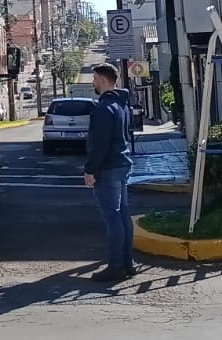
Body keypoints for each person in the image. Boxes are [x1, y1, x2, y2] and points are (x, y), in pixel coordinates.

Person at [84, 63, 136, 282]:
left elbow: (99, 145)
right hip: (122, 164)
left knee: (113, 216)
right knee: (122, 214)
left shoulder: (104, 109)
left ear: (103, 80)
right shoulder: (121, 105)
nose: (93, 83)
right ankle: (127, 262)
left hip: (108, 168)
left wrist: (90, 170)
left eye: (94, 79)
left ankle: (115, 266)